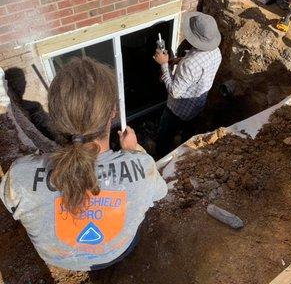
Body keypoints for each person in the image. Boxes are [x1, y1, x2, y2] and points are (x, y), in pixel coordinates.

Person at [0, 57, 167, 271]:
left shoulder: (21, 174)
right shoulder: (143, 167)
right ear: (112, 112)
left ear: (56, 116)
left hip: (58, 259)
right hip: (117, 251)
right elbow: (159, 194)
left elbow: (10, 203)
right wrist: (132, 152)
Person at [154, 12, 222, 157]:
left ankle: (161, 158)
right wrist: (178, 60)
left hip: (177, 110)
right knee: (188, 136)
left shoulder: (189, 65)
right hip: (197, 106)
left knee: (165, 137)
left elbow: (175, 92)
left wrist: (164, 64)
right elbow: (197, 63)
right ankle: (185, 156)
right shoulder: (216, 52)